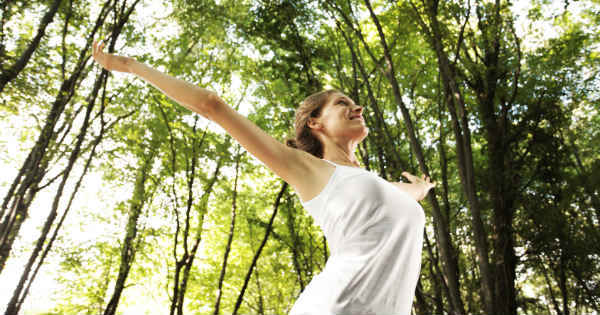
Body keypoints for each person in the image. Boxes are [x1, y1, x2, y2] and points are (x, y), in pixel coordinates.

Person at [92, 40, 435, 314]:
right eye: (342, 103)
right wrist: (129, 66)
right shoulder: (308, 170)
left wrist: (420, 188)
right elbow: (212, 105)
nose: (357, 107)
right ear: (315, 123)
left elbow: (404, 195)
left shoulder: (376, 186)